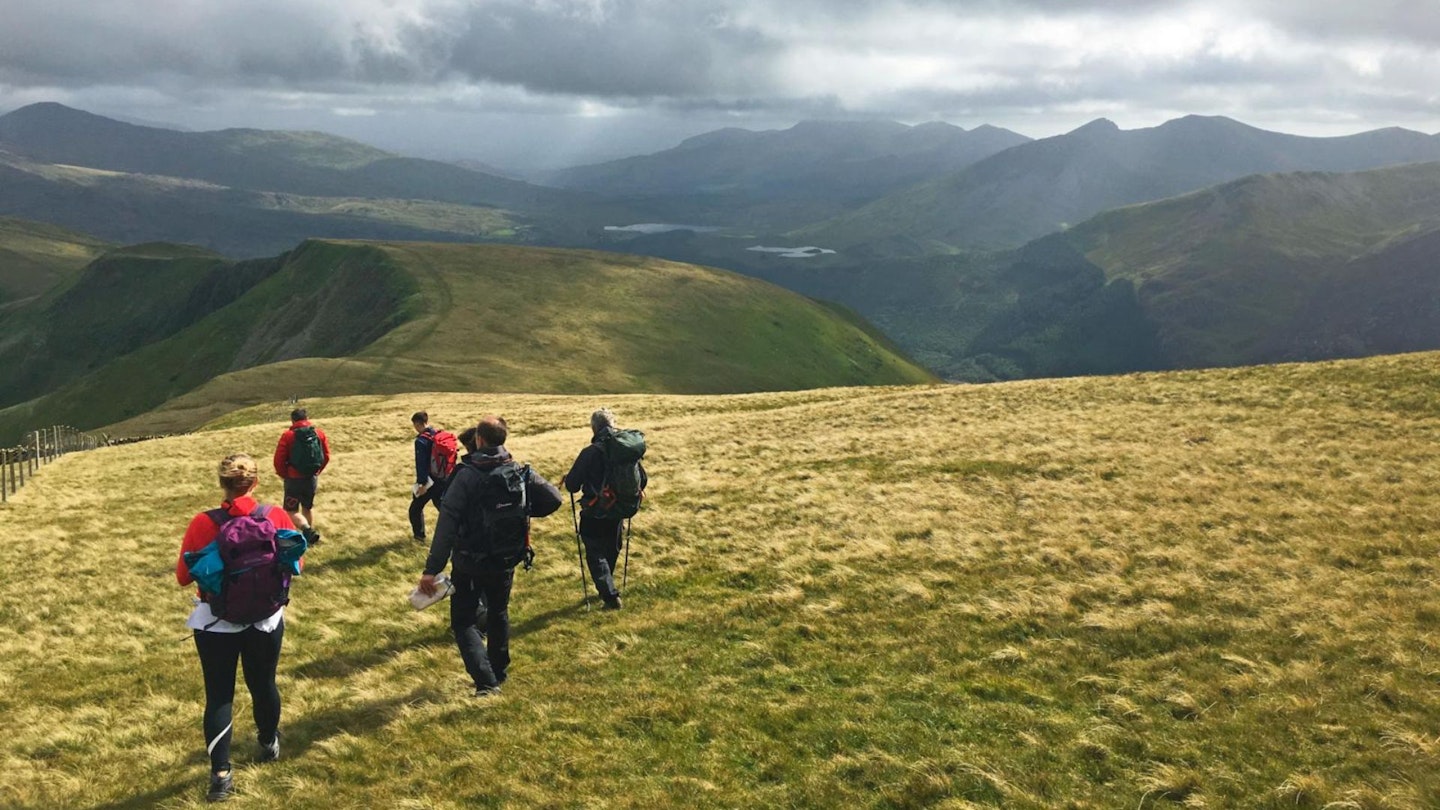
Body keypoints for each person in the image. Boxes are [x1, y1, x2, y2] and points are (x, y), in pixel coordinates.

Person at [176, 454, 302, 803]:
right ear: (255, 483)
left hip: (216, 622)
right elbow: (297, 562)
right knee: (263, 684)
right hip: (265, 619)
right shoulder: (274, 515)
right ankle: (267, 741)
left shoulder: (203, 523)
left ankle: (220, 775)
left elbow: (183, 577)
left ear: (222, 484)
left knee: (219, 695)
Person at [416, 415, 561, 696]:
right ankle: (499, 671)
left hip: (470, 561)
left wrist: (431, 569)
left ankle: (486, 682)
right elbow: (553, 498)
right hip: (507, 557)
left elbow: (447, 523)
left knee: (464, 621)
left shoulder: (467, 475)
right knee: (498, 611)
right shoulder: (518, 470)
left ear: (479, 440)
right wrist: (523, 509)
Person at [564, 408, 647, 610]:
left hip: (595, 510)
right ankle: (607, 585)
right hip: (619, 509)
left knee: (595, 552)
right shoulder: (625, 450)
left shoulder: (590, 452)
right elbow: (643, 480)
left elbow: (572, 485)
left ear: (594, 428)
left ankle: (609, 595)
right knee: (612, 548)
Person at [273, 408, 330, 537]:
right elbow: (326, 455)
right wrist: (317, 471)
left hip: (294, 479)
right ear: (307, 418)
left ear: (292, 420)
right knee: (307, 507)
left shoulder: (288, 436)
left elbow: (279, 460)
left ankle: (306, 530)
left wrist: (284, 474)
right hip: (311, 478)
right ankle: (309, 535)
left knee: (290, 510)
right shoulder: (319, 433)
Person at [409, 412, 458, 543]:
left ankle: (419, 537)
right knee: (443, 508)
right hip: (443, 478)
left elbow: (421, 464)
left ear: (417, 424)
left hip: (430, 482)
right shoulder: (437, 434)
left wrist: (422, 484)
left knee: (415, 509)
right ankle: (458, 532)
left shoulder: (421, 441)